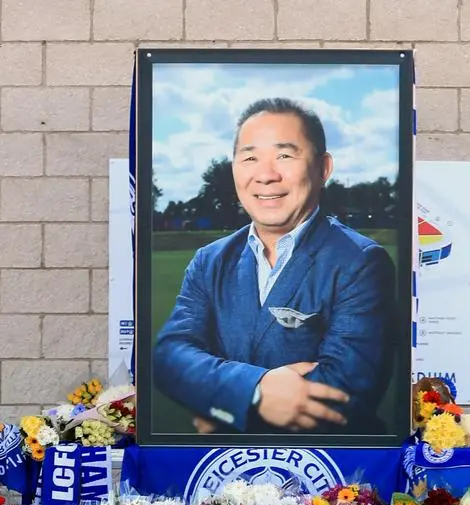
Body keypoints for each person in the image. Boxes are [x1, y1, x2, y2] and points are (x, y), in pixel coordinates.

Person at [153, 97, 395, 437]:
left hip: (329, 475)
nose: (266, 175)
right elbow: (170, 357)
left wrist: (220, 405)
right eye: (250, 158)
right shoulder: (210, 260)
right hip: (223, 471)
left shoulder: (361, 261)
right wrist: (253, 392)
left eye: (284, 155)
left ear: (323, 168)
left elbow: (344, 392)